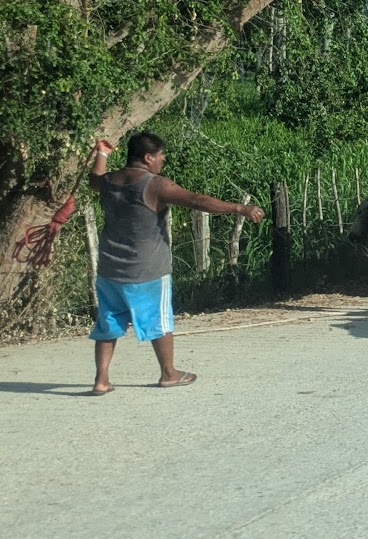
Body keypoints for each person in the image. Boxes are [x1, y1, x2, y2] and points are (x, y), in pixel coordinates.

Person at [87, 131, 264, 395]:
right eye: (160, 157)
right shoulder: (154, 184)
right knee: (160, 320)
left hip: (110, 268)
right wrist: (240, 208)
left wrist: (101, 153)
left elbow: (94, 180)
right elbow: (196, 200)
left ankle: (101, 380)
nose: (162, 161)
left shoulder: (111, 181)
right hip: (146, 269)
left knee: (108, 322)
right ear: (148, 157)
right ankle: (169, 373)